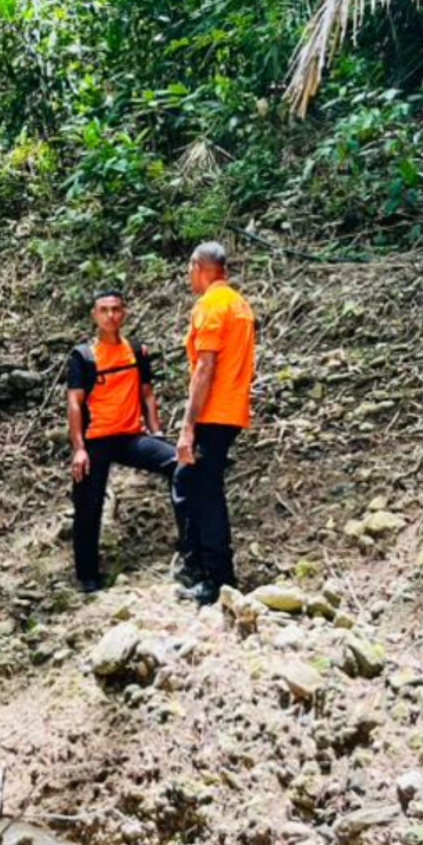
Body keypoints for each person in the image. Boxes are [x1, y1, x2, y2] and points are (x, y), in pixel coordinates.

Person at [66, 288, 182, 594]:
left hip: (131, 436)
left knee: (180, 463)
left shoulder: (136, 350)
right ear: (94, 315)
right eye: (103, 310)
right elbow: (75, 403)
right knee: (87, 505)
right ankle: (88, 575)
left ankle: (189, 548)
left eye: (116, 309)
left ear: (124, 312)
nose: (110, 316)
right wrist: (78, 449)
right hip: (96, 441)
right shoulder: (83, 356)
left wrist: (156, 432)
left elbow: (147, 393)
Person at [174, 241, 256, 606]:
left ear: (199, 267)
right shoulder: (239, 305)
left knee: (204, 493)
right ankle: (201, 568)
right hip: (232, 411)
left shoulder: (210, 306)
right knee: (188, 482)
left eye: (190, 269)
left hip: (212, 412)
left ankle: (218, 580)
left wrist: (188, 427)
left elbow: (205, 367)